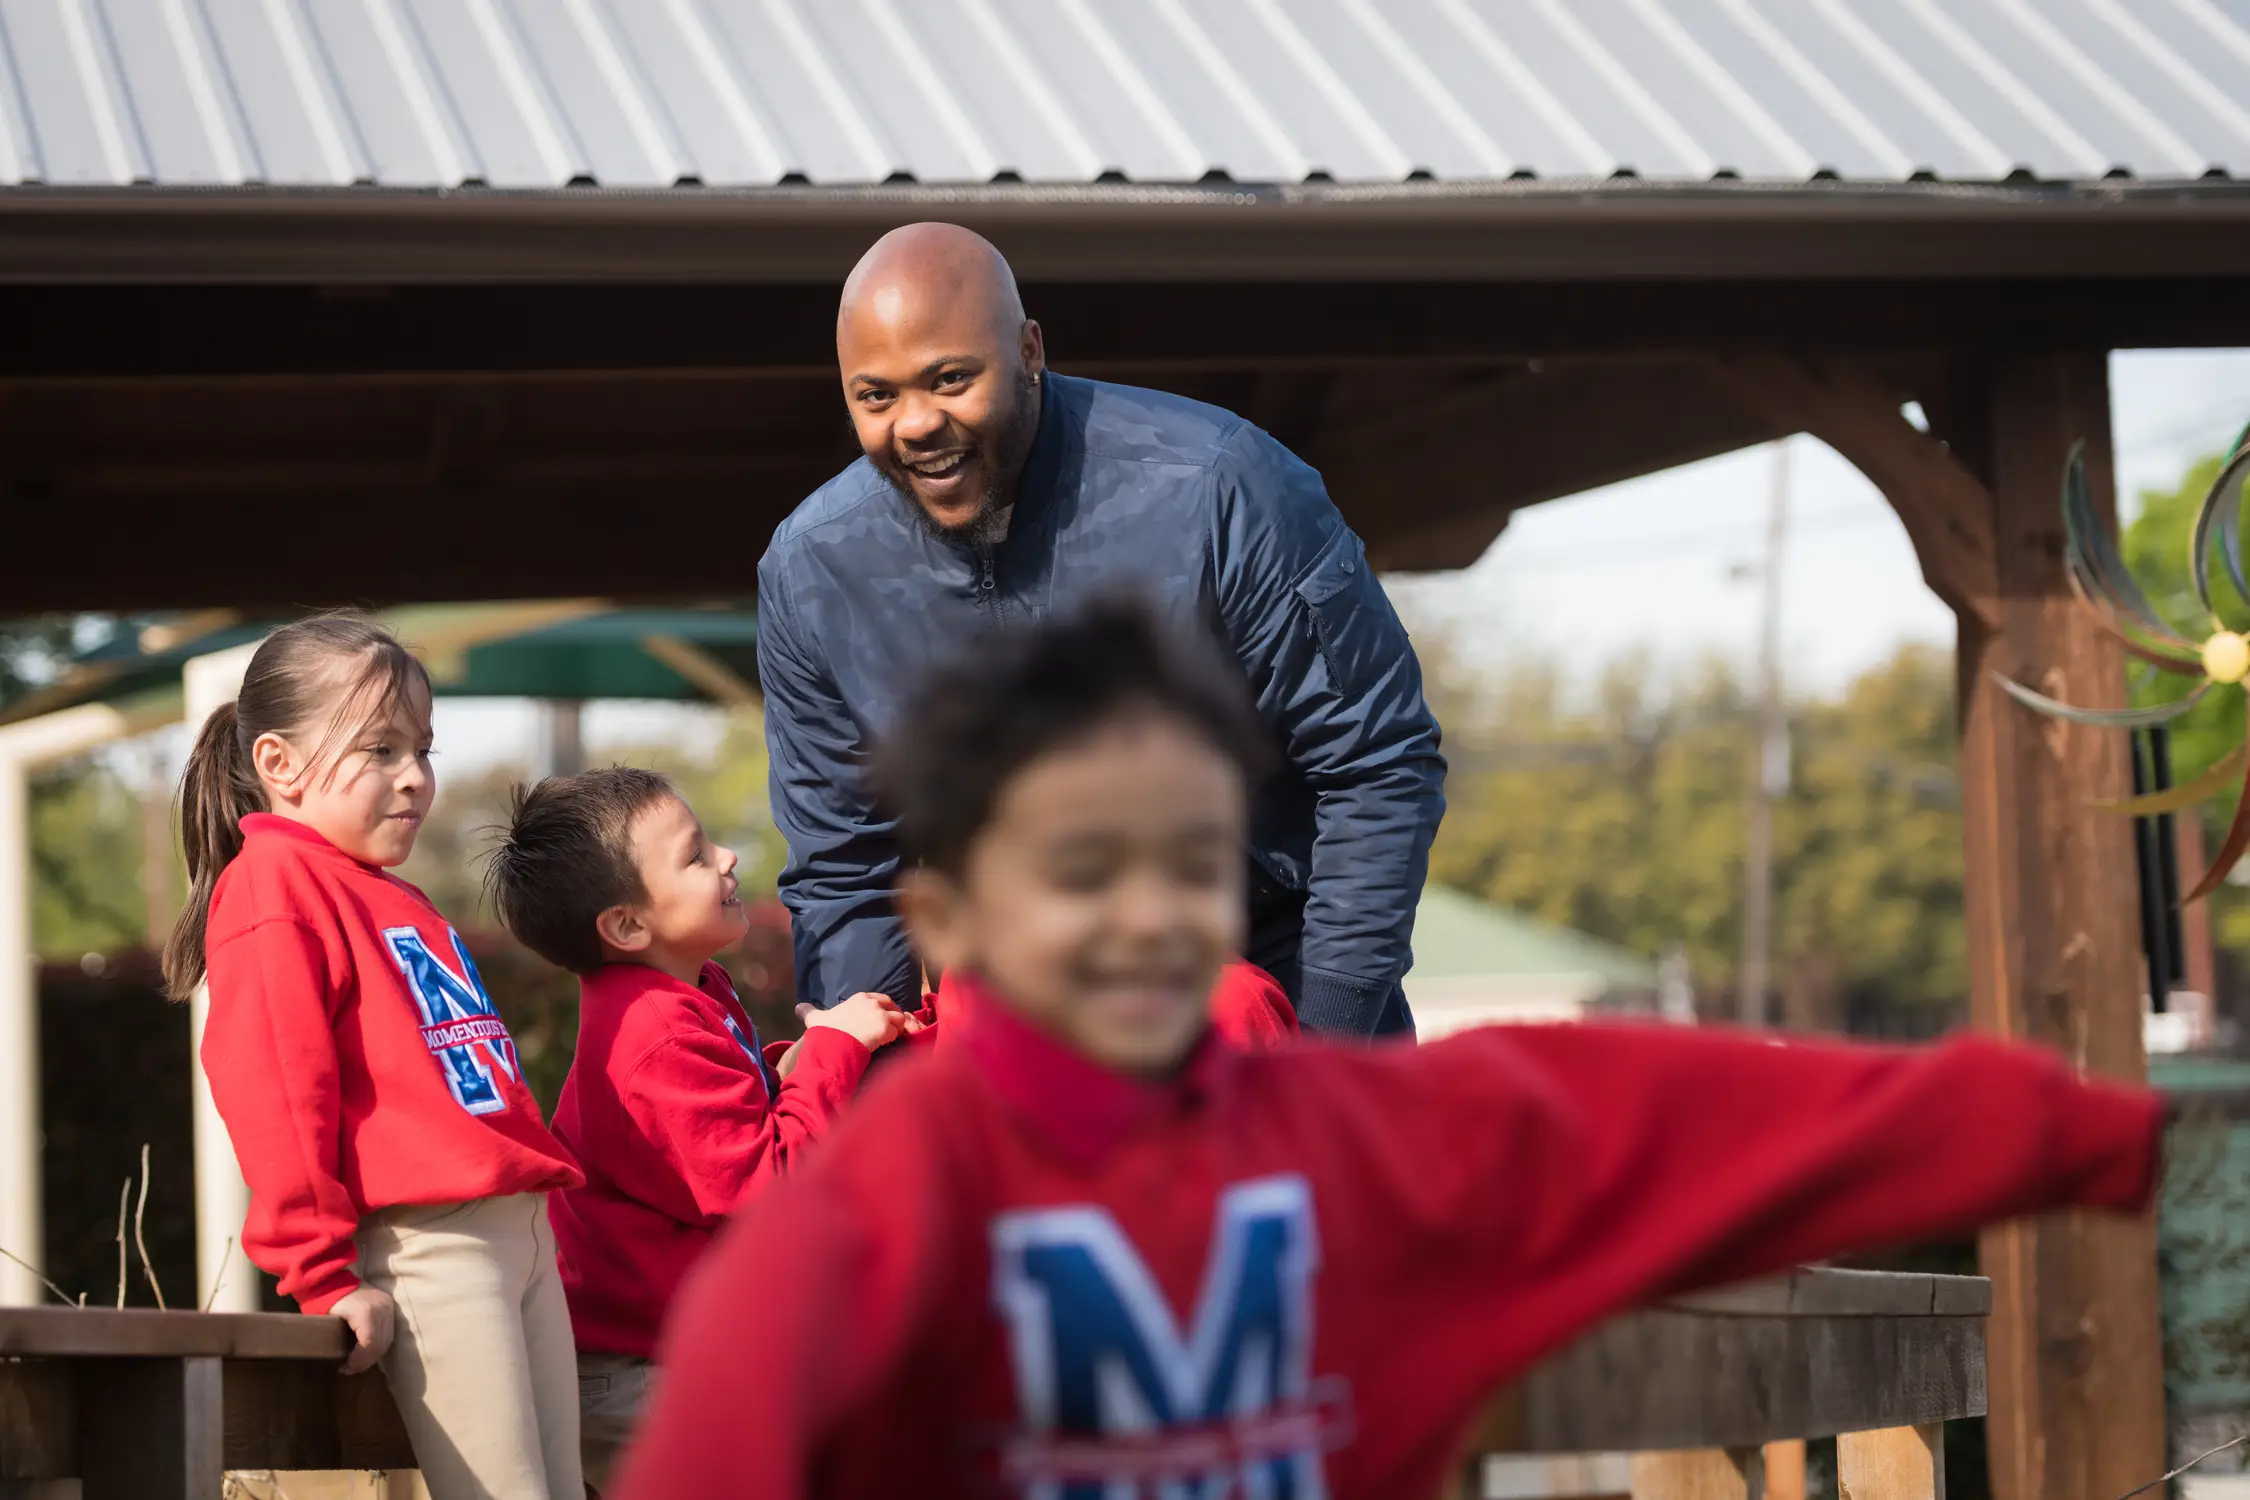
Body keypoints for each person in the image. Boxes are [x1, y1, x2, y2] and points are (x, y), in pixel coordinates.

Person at [615, 598, 2167, 1500]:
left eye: (1193, 861)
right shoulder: (869, 1232)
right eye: (1080, 871)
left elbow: (1754, 1121)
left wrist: (2100, 1137)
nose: (1147, 913)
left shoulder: (1389, 1138)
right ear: (945, 916)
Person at [760, 221, 1444, 1039]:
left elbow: (1375, 763)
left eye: (948, 379)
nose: (914, 423)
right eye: (877, 396)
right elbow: (845, 868)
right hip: (1015, 1027)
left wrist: (1325, 1044)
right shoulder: (811, 570)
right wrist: (874, 1092)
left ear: (1029, 350)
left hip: (1274, 985)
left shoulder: (1222, 486)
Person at [166, 614, 584, 1500]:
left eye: (422, 749)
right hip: (433, 1251)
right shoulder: (272, 885)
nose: (415, 778)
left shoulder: (391, 891)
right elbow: (278, 1093)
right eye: (381, 749)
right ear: (278, 764)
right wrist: (322, 1274)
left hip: (521, 1238)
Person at [483, 766, 919, 1493]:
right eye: (694, 855)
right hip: (641, 1376)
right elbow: (763, 1186)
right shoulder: (652, 1033)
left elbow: (722, 1139)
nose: (727, 858)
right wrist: (835, 1053)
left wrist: (803, 1063)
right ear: (626, 924)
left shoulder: (681, 996)